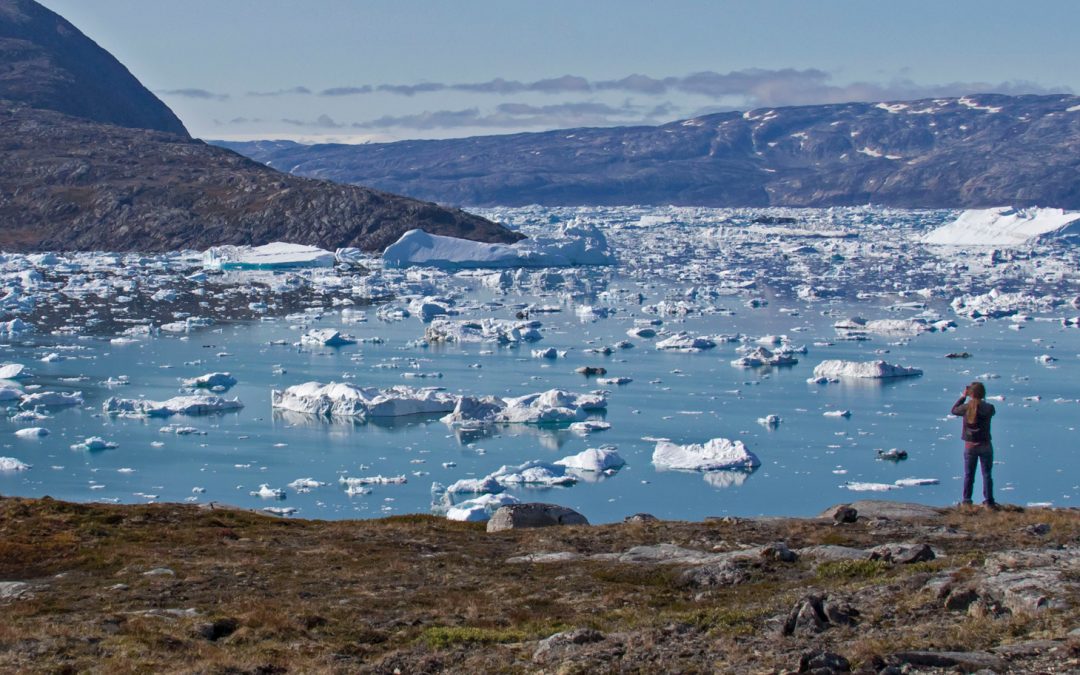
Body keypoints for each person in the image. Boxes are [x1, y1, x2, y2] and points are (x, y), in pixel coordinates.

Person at [951, 381, 996, 508]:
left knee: (969, 475)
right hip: (985, 445)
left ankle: (967, 501)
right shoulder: (989, 408)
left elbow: (954, 410)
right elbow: (991, 412)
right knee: (987, 474)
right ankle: (989, 502)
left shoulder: (966, 408)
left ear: (971, 393)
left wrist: (963, 396)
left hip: (970, 446)